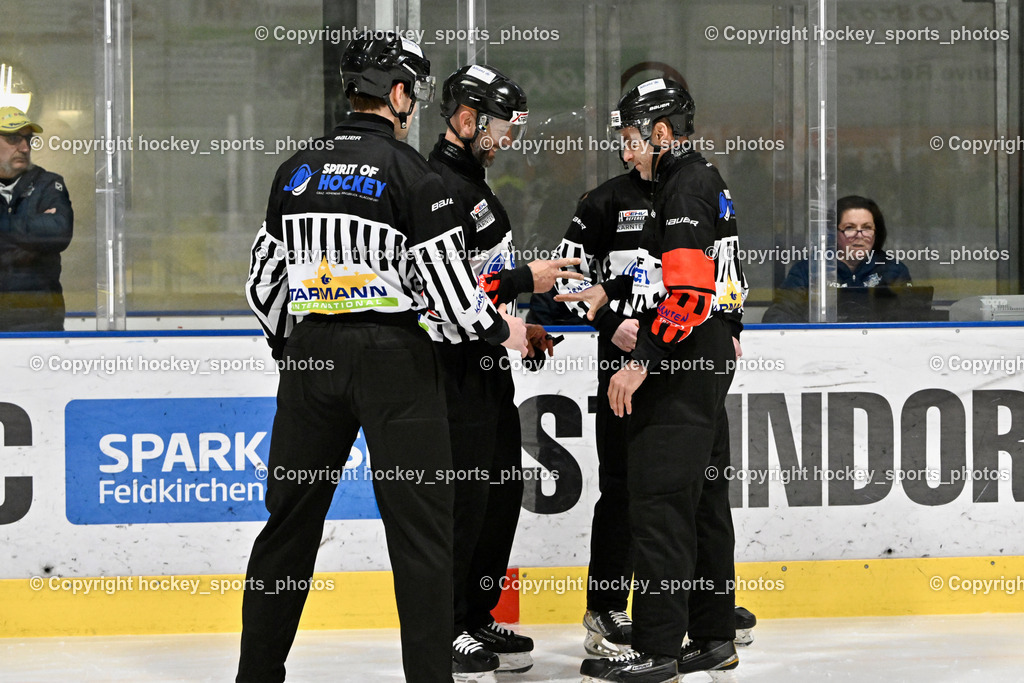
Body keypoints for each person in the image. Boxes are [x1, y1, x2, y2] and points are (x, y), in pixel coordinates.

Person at [237, 35, 528, 683]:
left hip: (311, 354)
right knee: (422, 535)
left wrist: (297, 349)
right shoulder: (414, 177)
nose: (415, 105)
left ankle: (255, 675)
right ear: (397, 94)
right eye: (413, 92)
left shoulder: (296, 170)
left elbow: (263, 282)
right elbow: (450, 298)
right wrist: (499, 329)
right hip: (395, 358)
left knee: (286, 527)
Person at [559, 78, 748, 682]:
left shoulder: (683, 188)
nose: (626, 147)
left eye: (632, 136)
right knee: (705, 505)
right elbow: (723, 284)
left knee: (662, 505)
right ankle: (714, 635)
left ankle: (660, 648)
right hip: (705, 360)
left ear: (662, 133)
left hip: (678, 367)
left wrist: (641, 356)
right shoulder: (705, 181)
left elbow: (688, 293)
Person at [421, 63, 583, 680]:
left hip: (489, 364)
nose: (510, 135)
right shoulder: (437, 187)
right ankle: (450, 623)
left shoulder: (477, 187)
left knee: (497, 498)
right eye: (502, 124)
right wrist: (526, 280)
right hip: (450, 370)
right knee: (463, 503)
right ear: (466, 121)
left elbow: (482, 293)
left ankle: (476, 612)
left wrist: (523, 325)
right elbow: (443, 288)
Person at [762, 195, 912, 322]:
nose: (859, 235)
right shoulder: (809, 270)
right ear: (833, 233)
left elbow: (912, 316)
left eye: (866, 228)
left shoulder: (893, 270)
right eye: (849, 228)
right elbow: (777, 316)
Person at [0, 106, 73, 331]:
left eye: (28, 139)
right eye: (13, 139)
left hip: (38, 321)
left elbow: (58, 233)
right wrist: (32, 236)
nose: (24, 147)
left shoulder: (48, 184)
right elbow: (44, 232)